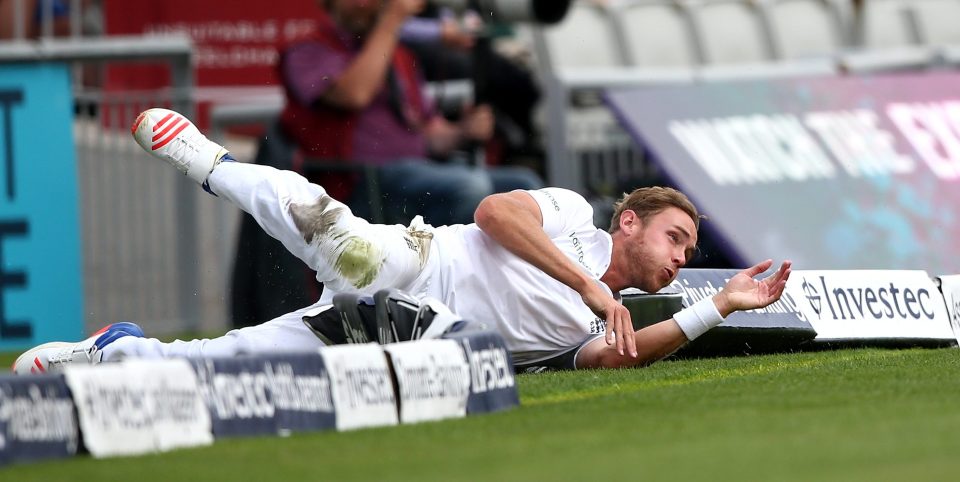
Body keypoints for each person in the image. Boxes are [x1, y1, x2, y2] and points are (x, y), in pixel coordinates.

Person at [13, 108, 792, 374]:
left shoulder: (609, 325)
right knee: (335, 231)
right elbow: (492, 214)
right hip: (417, 264)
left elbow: (615, 358)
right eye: (676, 239)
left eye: (690, 251)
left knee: (234, 363)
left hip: (400, 341)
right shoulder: (568, 216)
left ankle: (111, 351)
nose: (684, 256)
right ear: (628, 222)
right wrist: (587, 283)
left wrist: (718, 305)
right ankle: (207, 160)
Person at [279, 0, 542, 226]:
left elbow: (430, 133)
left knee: (525, 185)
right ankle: (445, 276)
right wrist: (392, 20)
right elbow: (355, 94)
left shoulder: (398, 54)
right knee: (469, 187)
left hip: (417, 175)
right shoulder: (309, 49)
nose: (363, 4)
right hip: (359, 184)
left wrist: (463, 130)